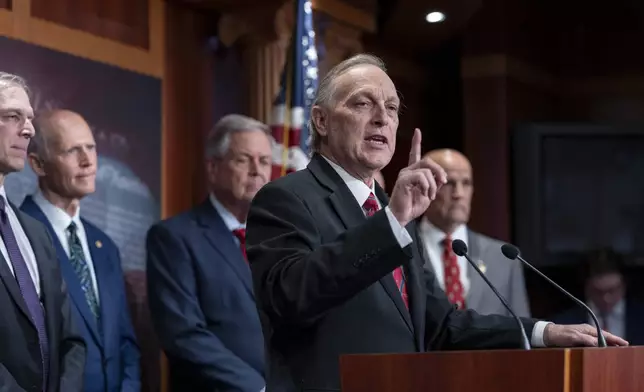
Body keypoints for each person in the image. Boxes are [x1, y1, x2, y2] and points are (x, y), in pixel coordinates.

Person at [245, 54, 628, 390]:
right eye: (363, 103)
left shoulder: (388, 212)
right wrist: (393, 220)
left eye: (392, 108)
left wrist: (544, 332)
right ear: (321, 121)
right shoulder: (286, 199)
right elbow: (291, 297)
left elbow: (442, 324)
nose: (382, 117)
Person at [146, 114, 271, 391]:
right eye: (243, 159)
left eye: (264, 161)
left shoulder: (278, 240)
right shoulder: (174, 238)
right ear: (213, 168)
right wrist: (257, 388)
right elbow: (183, 334)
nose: (257, 170)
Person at [20, 109, 141, 392]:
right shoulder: (16, 235)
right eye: (72, 151)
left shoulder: (105, 246)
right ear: (38, 164)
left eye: (91, 148)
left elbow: (125, 341)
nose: (88, 162)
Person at [0, 72, 85, 391]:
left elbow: (72, 340)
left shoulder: (35, 232)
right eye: (12, 116)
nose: (28, 129)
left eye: (30, 119)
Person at [416, 149, 530, 317]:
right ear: (424, 187)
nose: (459, 194)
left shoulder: (504, 258)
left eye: (466, 183)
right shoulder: (403, 250)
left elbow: (522, 329)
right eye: (448, 183)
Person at [552, 248, 644, 345]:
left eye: (612, 290)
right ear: (586, 288)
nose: (606, 298)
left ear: (624, 285)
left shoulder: (640, 318)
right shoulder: (564, 323)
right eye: (598, 291)